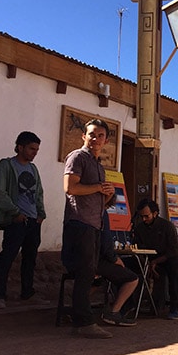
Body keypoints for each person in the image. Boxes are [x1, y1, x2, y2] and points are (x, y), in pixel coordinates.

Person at [62, 119, 115, 339]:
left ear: (106, 140)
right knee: (84, 273)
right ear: (84, 136)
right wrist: (97, 188)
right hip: (79, 223)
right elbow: (70, 187)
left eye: (100, 135)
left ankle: (81, 321)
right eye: (92, 134)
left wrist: (108, 195)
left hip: (94, 224)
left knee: (89, 273)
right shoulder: (77, 157)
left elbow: (98, 201)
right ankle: (83, 323)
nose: (96, 139)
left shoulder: (99, 166)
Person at [0, 131, 46, 309]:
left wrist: (40, 215)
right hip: (16, 220)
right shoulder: (6, 165)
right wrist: (15, 213)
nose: (34, 152)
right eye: (31, 148)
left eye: (37, 149)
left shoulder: (33, 169)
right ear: (20, 147)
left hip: (32, 221)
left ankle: (27, 292)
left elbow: (38, 193)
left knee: (30, 258)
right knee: (7, 256)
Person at [133, 198, 178, 320]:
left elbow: (174, 250)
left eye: (147, 216)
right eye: (142, 217)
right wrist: (147, 262)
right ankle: (130, 305)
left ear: (155, 214)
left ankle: (174, 306)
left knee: (174, 269)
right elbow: (137, 247)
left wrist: (156, 262)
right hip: (149, 259)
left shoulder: (167, 226)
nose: (144, 219)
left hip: (167, 258)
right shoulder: (139, 228)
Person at [97, 211, 139, 327]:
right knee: (132, 278)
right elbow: (106, 243)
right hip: (98, 261)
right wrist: (114, 259)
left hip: (84, 259)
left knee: (122, 270)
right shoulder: (101, 213)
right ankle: (114, 312)